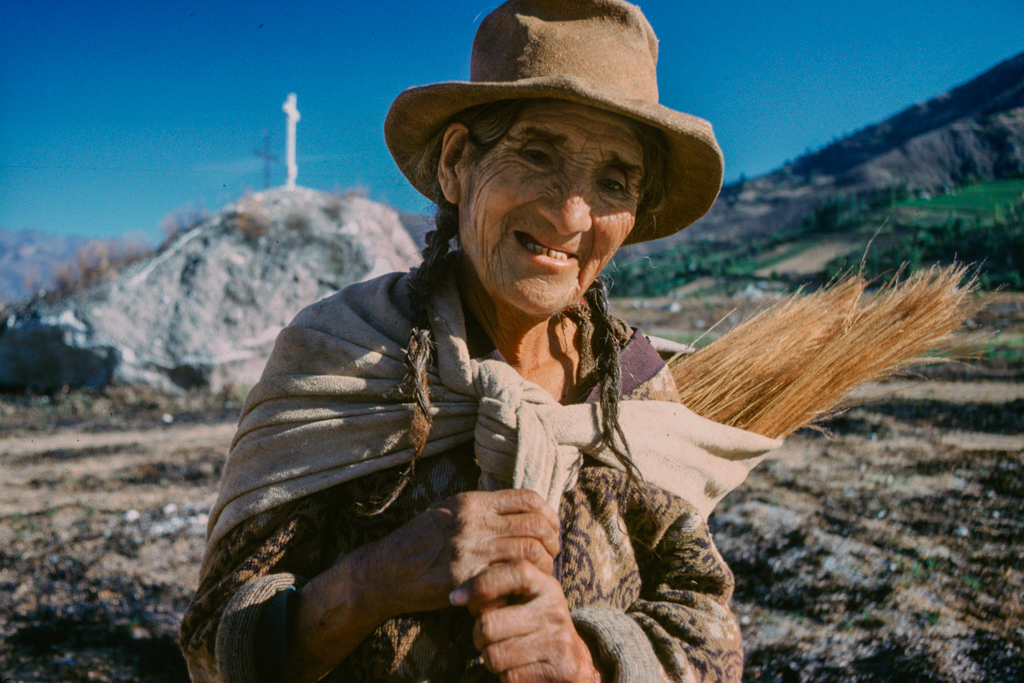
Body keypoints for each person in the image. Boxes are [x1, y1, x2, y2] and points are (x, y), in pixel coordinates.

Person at [180, 1, 781, 681]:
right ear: (458, 161)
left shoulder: (635, 391)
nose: (570, 213)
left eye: (612, 180)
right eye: (538, 154)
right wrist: (367, 583)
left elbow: (709, 639)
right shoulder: (342, 355)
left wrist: (588, 662)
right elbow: (212, 645)